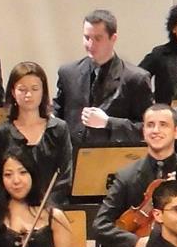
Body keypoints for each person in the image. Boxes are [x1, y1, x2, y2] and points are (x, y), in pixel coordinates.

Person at [92, 102, 177, 247]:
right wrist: (135, 242)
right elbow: (100, 225)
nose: (156, 130)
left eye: (163, 125)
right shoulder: (127, 175)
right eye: (150, 125)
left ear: (176, 132)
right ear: (143, 132)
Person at [56, 9, 155, 149]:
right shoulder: (68, 73)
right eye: (87, 37)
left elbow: (148, 128)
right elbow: (58, 116)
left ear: (113, 38)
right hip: (73, 157)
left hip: (114, 158)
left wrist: (108, 122)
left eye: (98, 38)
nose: (90, 44)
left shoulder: (136, 78)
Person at [0, 61, 74, 210]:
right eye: (22, 89)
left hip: (52, 210)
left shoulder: (59, 129)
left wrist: (45, 206)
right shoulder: (1, 133)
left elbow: (65, 176)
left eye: (35, 89)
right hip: (13, 211)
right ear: (13, 92)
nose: (29, 95)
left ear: (43, 91)